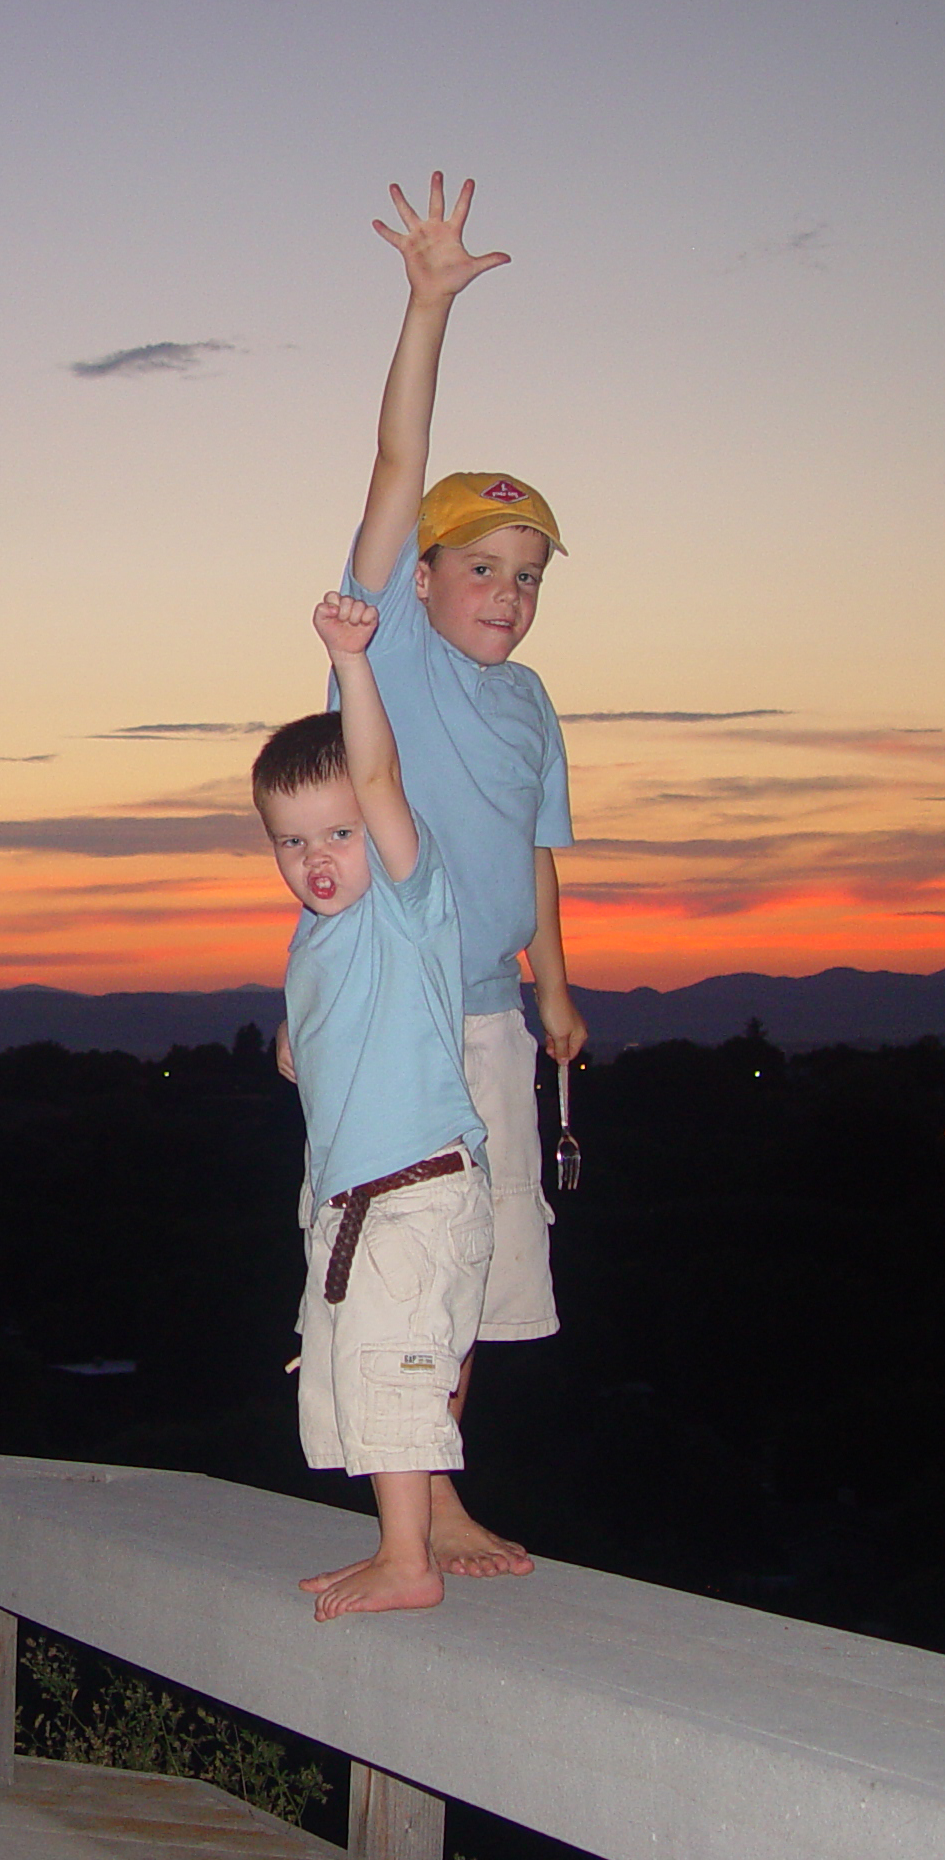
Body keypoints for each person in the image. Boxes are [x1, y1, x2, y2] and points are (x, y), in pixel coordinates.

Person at [284, 170, 589, 1581]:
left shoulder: (531, 708)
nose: (509, 594)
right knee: (391, 1243)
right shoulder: (395, 654)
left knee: (479, 1263)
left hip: (495, 1018)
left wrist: (559, 990)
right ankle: (411, 1515)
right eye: (485, 566)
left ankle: (445, 1497)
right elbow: (396, 471)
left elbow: (533, 852)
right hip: (406, 1021)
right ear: (427, 578)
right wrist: (425, 309)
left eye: (530, 575)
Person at [261, 592, 494, 1620]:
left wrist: (349, 662)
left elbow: (377, 774)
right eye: (290, 841)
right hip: (360, 1204)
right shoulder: (320, 938)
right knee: (365, 1370)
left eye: (339, 833)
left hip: (409, 1195)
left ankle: (408, 1561)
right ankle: (401, 1540)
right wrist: (292, 1040)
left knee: (394, 1372)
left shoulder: (405, 895)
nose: (316, 858)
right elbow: (332, 1022)